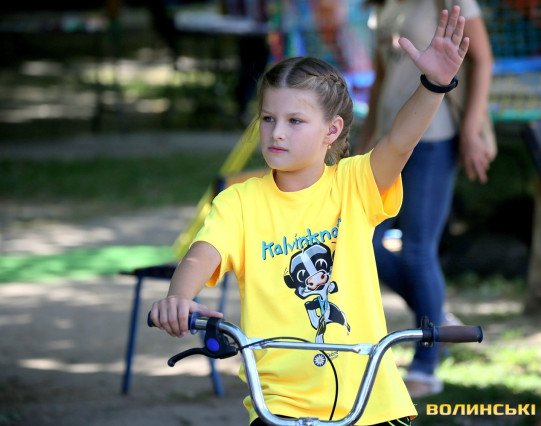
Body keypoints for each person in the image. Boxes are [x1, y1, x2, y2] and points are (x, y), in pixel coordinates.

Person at [150, 6, 469, 425]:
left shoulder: (354, 183)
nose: (277, 132)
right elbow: (201, 255)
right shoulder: (239, 202)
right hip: (279, 407)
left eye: (295, 121)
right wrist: (180, 296)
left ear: (331, 131)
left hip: (372, 403)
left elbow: (400, 142)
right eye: (268, 118)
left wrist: (434, 85)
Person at [355, 0, 494, 398]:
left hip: (433, 140)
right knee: (360, 240)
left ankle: (426, 365)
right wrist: (361, 150)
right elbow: (383, 80)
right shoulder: (381, 7)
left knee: (417, 250)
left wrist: (471, 129)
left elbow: (483, 61)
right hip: (386, 144)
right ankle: (436, 314)